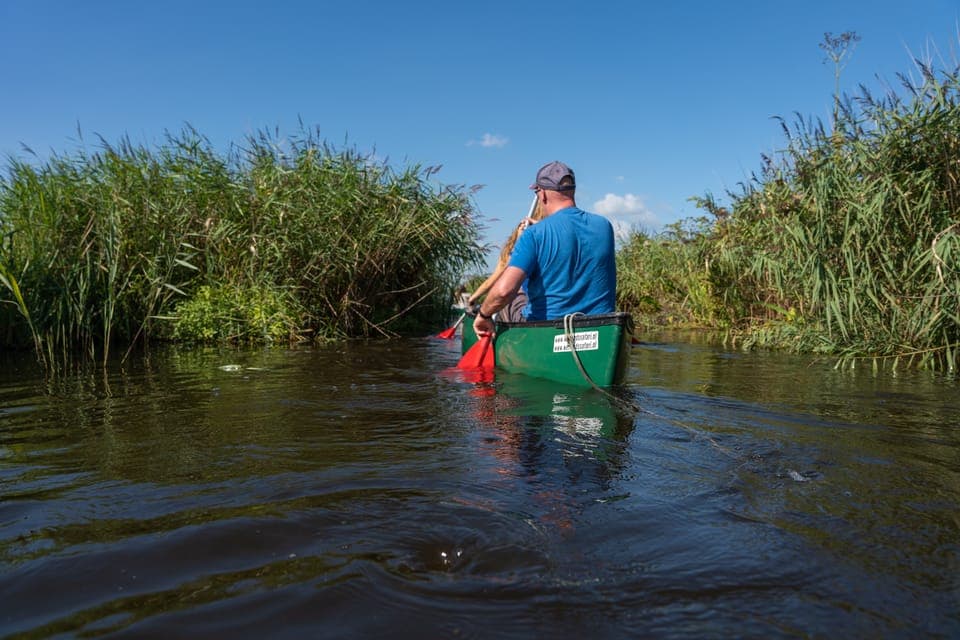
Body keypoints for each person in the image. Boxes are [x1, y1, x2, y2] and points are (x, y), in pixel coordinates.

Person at [473, 161, 616, 337]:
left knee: (513, 296)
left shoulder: (534, 235)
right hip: (600, 329)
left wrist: (483, 314)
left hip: (547, 329)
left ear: (542, 194)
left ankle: (492, 336)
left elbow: (503, 291)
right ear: (572, 190)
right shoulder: (604, 227)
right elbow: (571, 234)